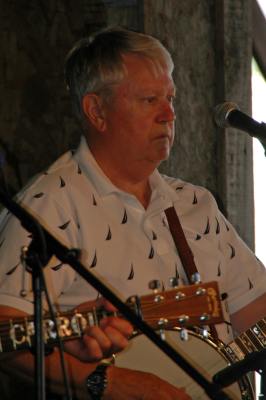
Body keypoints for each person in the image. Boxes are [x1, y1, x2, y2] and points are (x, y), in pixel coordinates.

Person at [0, 26, 265, 400]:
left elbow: (254, 312)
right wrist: (114, 382)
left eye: (171, 98)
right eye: (149, 99)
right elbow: (4, 329)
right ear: (97, 111)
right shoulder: (49, 205)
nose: (169, 114)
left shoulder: (195, 204)